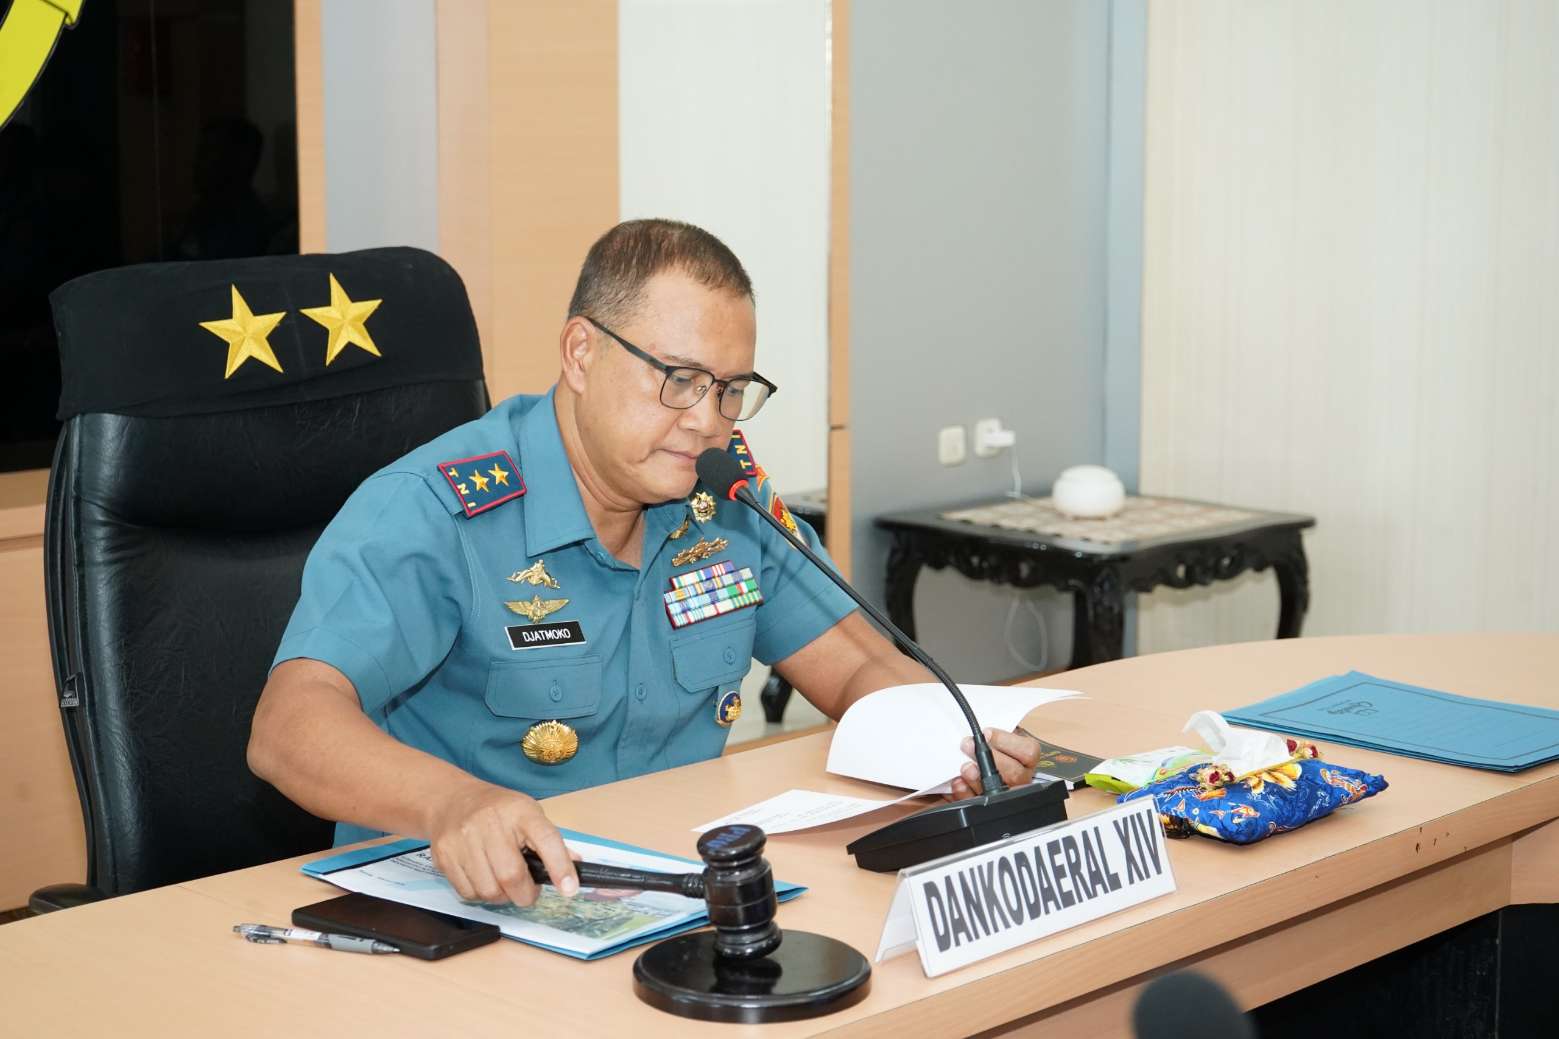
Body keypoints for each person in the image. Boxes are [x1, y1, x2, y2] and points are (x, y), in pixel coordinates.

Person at [248, 219, 1043, 908]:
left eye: (730, 389)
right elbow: (288, 727)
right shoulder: (435, 510)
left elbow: (859, 664)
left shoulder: (723, 497)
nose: (707, 422)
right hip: (465, 902)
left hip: (664, 890)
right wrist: (451, 802)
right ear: (581, 352)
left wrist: (951, 740)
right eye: (680, 380)